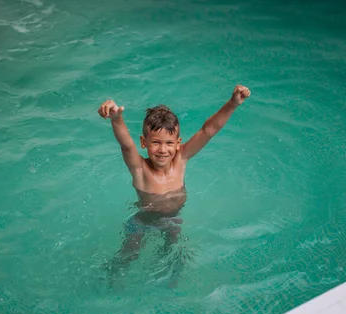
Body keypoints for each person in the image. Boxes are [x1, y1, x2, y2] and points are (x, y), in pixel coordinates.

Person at [98, 84, 251, 287]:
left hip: (172, 219)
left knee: (172, 250)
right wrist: (116, 119)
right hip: (142, 221)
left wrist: (232, 104)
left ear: (178, 143)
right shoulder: (140, 169)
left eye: (169, 143)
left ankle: (170, 283)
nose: (163, 150)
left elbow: (208, 130)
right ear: (144, 143)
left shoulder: (181, 160)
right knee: (130, 255)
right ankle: (111, 279)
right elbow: (126, 146)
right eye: (156, 143)